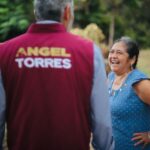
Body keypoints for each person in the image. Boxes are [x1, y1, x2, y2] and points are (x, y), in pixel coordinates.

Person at [0, 0, 114, 150]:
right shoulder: (90, 52)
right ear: (67, 12)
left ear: (36, 13)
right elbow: (101, 121)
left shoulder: (4, 52)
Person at [108, 36, 150, 150]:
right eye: (111, 52)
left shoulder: (139, 83)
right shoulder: (111, 77)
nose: (113, 56)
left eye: (119, 53)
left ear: (132, 59)